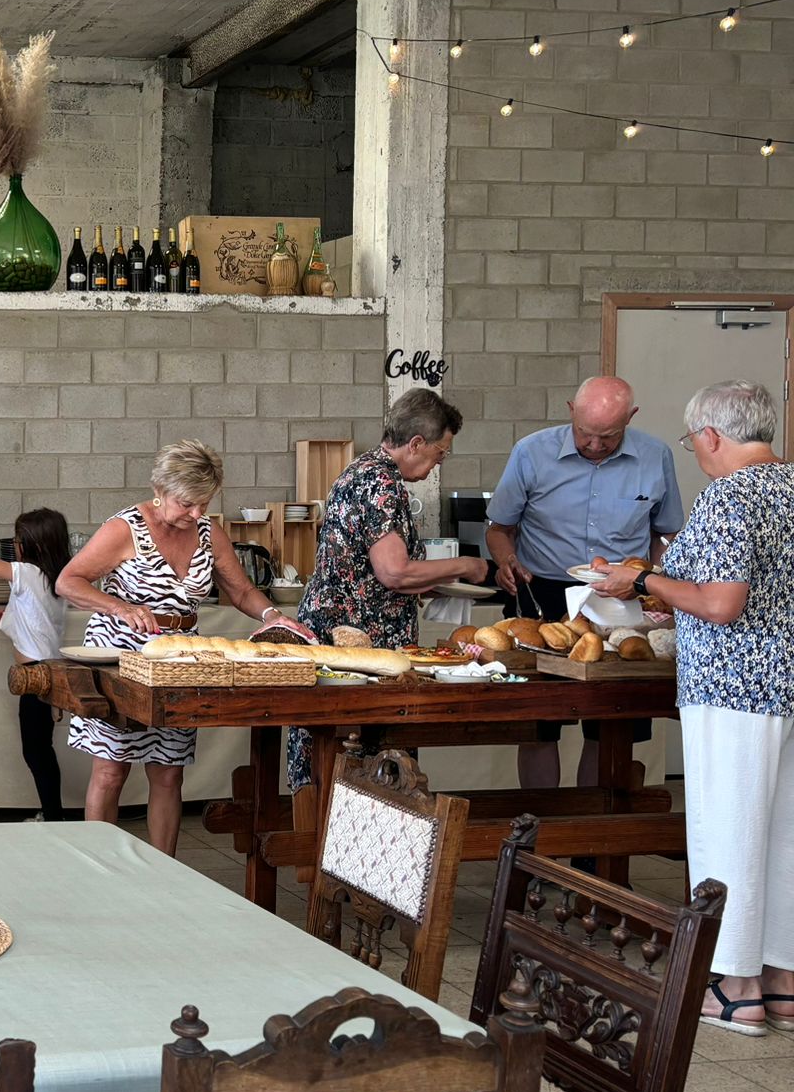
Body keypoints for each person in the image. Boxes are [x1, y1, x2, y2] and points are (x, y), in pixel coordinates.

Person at [589, 381, 794, 1037]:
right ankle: (783, 981)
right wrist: (673, 596)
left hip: (733, 688)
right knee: (783, 835)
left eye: (692, 441)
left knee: (729, 831)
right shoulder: (790, 487)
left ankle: (735, 987)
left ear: (710, 435)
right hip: (785, 684)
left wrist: (643, 580)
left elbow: (723, 603)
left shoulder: (731, 494)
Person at [56, 441, 312, 854]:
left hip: (180, 662)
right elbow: (68, 582)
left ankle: (165, 872)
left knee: (169, 772)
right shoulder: (125, 528)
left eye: (204, 504)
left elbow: (241, 590)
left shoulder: (209, 533)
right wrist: (120, 607)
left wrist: (272, 616)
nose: (196, 514)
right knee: (111, 771)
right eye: (187, 503)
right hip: (121, 657)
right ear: (160, 490)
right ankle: (97, 869)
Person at [288, 388, 501, 791]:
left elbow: (373, 573)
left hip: (346, 633)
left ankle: (323, 825)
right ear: (416, 443)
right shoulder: (381, 483)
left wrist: (434, 584)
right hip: (358, 645)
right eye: (440, 453)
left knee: (334, 772)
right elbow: (394, 573)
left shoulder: (362, 470)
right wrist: (466, 564)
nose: (438, 464)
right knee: (363, 774)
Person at [487, 376, 683, 790]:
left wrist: (655, 585)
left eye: (608, 436)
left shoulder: (655, 456)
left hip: (622, 597)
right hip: (541, 594)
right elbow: (500, 528)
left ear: (631, 417)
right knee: (539, 723)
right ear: (570, 410)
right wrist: (506, 561)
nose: (594, 445)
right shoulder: (531, 452)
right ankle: (541, 821)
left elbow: (666, 534)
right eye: (585, 433)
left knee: (611, 720)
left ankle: (596, 826)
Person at [0, 508, 72, 821]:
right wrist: (10, 619)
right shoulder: (56, 577)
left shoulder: (26, 573)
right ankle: (52, 813)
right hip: (49, 669)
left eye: (17, 539)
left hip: (35, 676)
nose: (15, 544)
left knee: (36, 751)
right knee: (41, 748)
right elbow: (38, 620)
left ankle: (54, 816)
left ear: (30, 545)